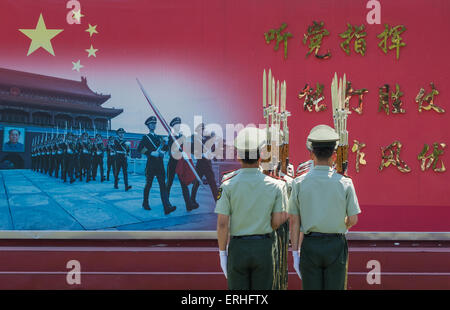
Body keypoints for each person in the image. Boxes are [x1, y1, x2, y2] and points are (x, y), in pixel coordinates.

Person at [288, 124, 361, 290]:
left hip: (311, 244)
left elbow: (294, 220)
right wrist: (342, 224)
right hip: (336, 244)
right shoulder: (345, 183)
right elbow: (353, 219)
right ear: (334, 156)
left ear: (312, 154)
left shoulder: (299, 183)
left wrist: (295, 253)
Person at [215, 127, 287, 290]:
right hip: (263, 247)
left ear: (239, 156)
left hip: (238, 247)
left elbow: (222, 224)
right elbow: (277, 221)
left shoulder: (227, 184)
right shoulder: (276, 185)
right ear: (261, 156)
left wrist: (222, 253)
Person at [137, 116, 176, 214]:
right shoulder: (145, 138)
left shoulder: (160, 138)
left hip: (159, 165)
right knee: (148, 185)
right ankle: (145, 203)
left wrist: (164, 149)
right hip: (150, 165)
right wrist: (150, 153)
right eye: (151, 123)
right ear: (148, 125)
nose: (153, 125)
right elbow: (140, 148)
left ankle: (166, 207)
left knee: (163, 186)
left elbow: (165, 149)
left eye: (154, 123)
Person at [166, 117, 196, 211]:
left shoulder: (182, 137)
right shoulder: (171, 137)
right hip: (173, 163)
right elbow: (171, 152)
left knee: (184, 184)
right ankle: (166, 204)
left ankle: (189, 204)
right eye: (176, 125)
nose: (178, 126)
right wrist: (179, 152)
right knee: (169, 184)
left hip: (181, 164)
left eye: (179, 124)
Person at [190, 123, 219, 208]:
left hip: (208, 165)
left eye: (203, 129)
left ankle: (218, 202)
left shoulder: (208, 138)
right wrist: (201, 154)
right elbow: (193, 151)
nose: (202, 131)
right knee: (196, 183)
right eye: (200, 130)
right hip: (200, 165)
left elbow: (213, 148)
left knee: (213, 183)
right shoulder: (195, 140)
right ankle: (192, 200)